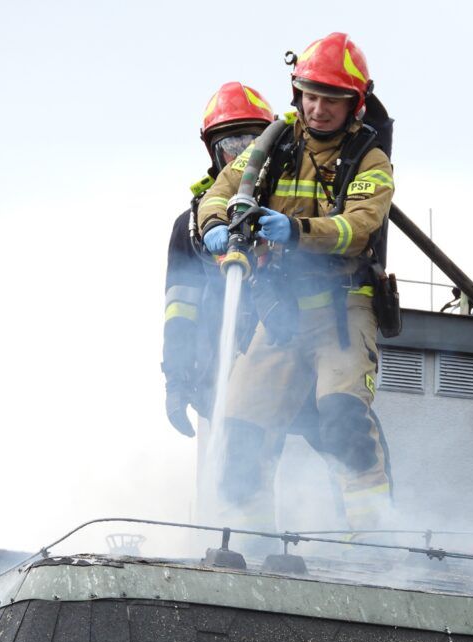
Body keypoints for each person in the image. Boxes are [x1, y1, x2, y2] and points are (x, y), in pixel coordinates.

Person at [198, 32, 395, 538]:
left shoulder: (369, 161)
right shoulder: (274, 144)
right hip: (279, 315)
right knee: (240, 434)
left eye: (332, 99)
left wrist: (299, 232)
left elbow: (361, 227)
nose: (318, 108)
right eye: (310, 95)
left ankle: (375, 543)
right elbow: (218, 194)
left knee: (343, 421)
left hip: (342, 312)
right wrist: (215, 225)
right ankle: (250, 544)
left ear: (356, 104)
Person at [162, 82, 274, 437]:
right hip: (220, 377)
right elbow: (180, 309)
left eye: (252, 144)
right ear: (214, 153)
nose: (243, 156)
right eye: (232, 145)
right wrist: (177, 382)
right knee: (237, 477)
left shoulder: (287, 208)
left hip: (283, 366)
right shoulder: (191, 228)